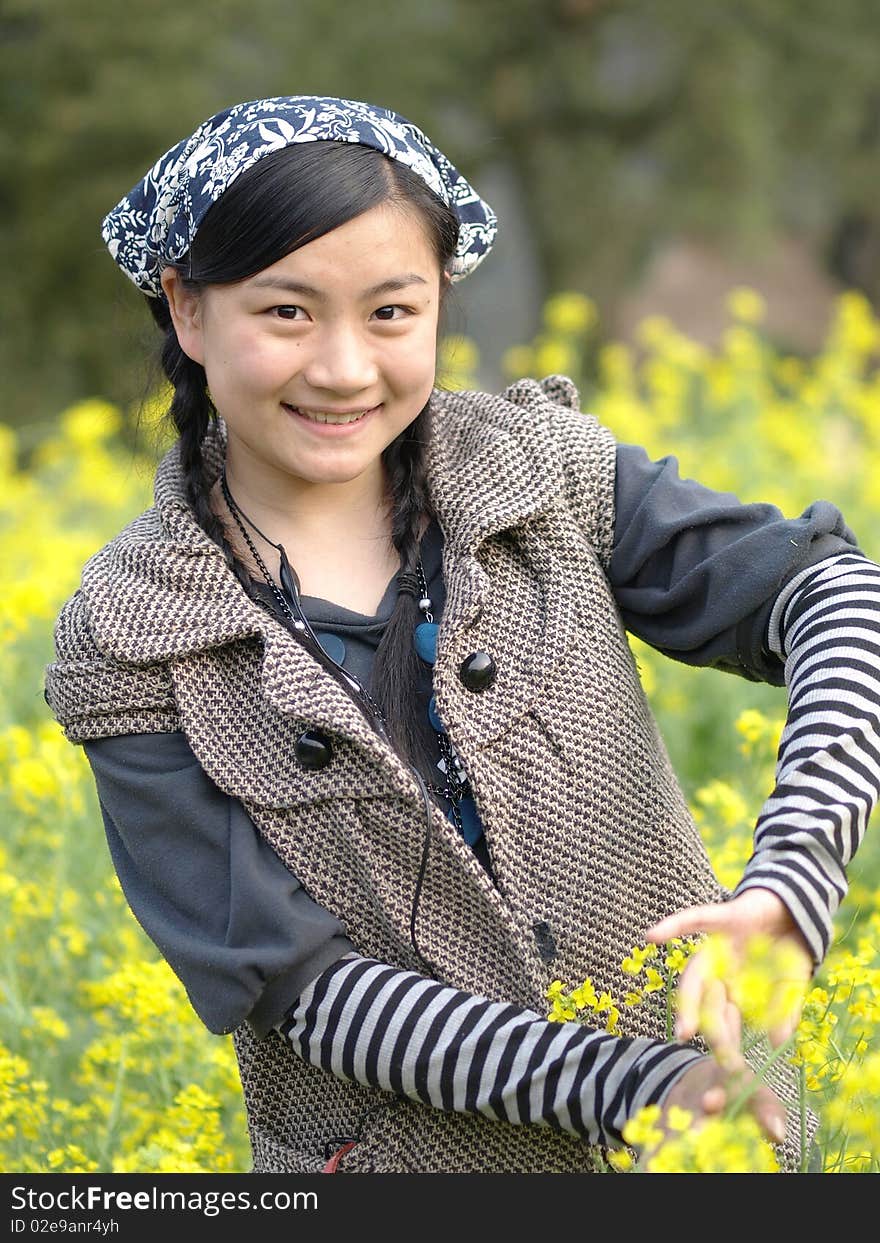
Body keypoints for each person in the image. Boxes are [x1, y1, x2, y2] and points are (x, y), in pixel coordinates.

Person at [44, 96, 878, 1175]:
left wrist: (791, 883)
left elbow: (837, 596)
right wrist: (623, 1087)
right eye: (288, 313)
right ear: (188, 311)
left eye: (392, 313)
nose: (345, 367)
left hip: (719, 1145)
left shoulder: (542, 474)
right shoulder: (131, 641)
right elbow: (302, 990)